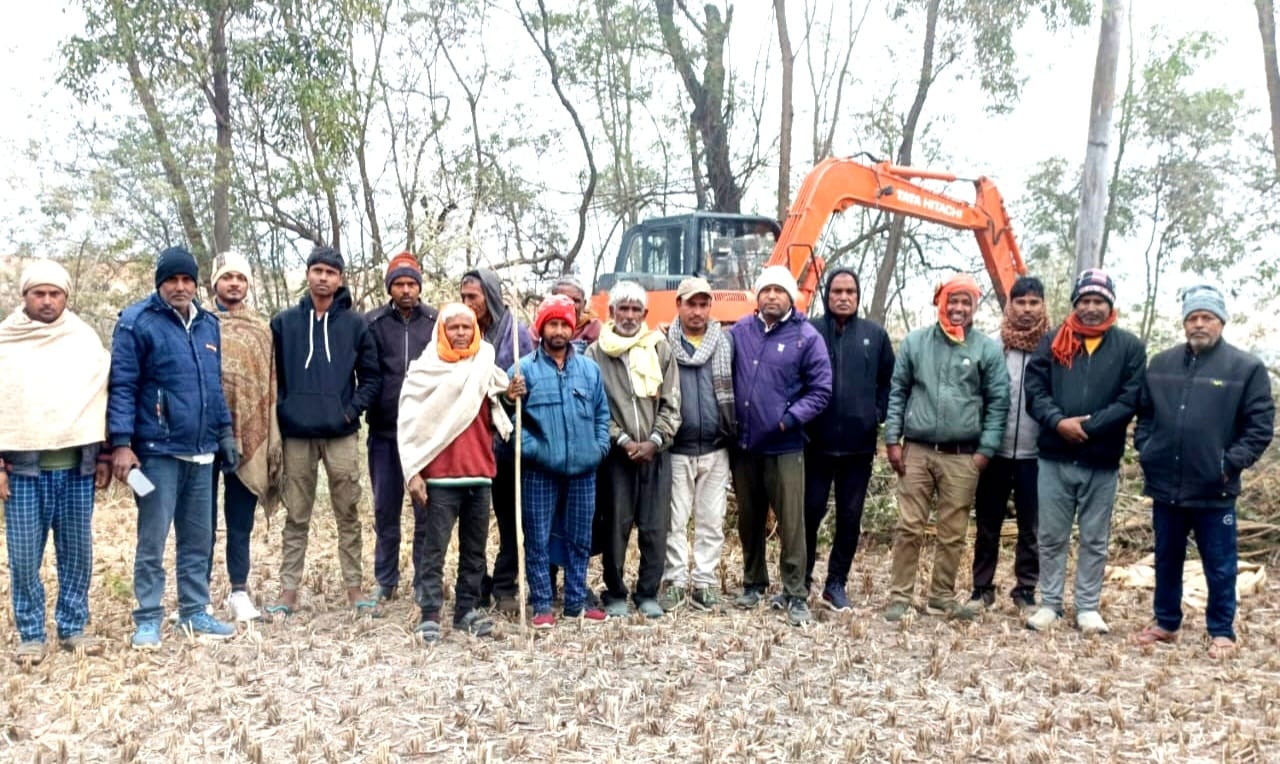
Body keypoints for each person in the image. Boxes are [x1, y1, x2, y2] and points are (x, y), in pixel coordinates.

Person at [109, 246, 239, 648]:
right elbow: (123, 386)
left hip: (201, 452)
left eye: (187, 280)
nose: (181, 287)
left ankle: (195, 610)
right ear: (160, 283)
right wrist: (121, 444)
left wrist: (225, 433)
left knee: (198, 538)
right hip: (157, 452)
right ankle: (147, 617)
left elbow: (212, 387)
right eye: (173, 280)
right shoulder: (136, 323)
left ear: (196, 284)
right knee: (153, 538)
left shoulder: (208, 325)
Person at [1132, 285, 1274, 657]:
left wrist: (1228, 465)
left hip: (1215, 488)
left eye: (1206, 317)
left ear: (1221, 322)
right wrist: (1146, 450)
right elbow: (1144, 416)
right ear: (1183, 323)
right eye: (1192, 318)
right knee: (1167, 558)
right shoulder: (1161, 364)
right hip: (1166, 485)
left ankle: (1221, 631)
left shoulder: (1246, 368)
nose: (1198, 324)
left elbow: (1259, 427)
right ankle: (1165, 622)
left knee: (1220, 565)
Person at [0, 261, 111, 663]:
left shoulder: (83, 340)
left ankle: (72, 627)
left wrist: (102, 454)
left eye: (55, 294)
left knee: (77, 553)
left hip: (77, 468)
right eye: (39, 294)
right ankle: (31, 633)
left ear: (66, 297)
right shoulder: (6, 342)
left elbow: (101, 397)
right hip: (23, 472)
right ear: (25, 296)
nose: (47, 302)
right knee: (25, 556)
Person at [1023, 269, 1145, 634]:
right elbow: (1036, 390)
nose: (1091, 308)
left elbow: (1130, 398)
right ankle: (1050, 603)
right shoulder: (1052, 342)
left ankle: (1088, 607)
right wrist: (1059, 421)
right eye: (1085, 301)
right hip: (1054, 457)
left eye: (1099, 301)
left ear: (1110, 304)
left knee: (1094, 536)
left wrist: (1089, 427)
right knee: (1051, 534)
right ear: (1076, 303)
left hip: (1101, 459)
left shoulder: (1129, 348)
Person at [882, 274, 1009, 623]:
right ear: (940, 302)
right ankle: (899, 597)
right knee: (909, 527)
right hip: (918, 451)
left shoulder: (987, 349)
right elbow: (898, 392)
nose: (958, 308)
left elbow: (999, 403)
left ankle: (941, 597)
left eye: (966, 302)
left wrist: (985, 450)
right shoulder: (915, 343)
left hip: (963, 455)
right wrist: (893, 439)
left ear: (974, 307)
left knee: (953, 533)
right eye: (952, 300)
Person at [270, 245, 382, 616]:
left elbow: (371, 378)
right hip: (297, 434)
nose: (323, 277)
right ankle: (288, 593)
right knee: (296, 514)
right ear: (307, 275)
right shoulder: (284, 323)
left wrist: (349, 412)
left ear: (340, 279)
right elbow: (274, 378)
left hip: (341, 434)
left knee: (347, 512)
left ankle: (354, 589)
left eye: (330, 272)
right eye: (317, 270)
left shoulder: (355, 324)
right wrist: (285, 410)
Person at [398, 303, 512, 642]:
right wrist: (413, 473)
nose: (461, 333)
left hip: (479, 473)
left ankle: (466, 609)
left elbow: (499, 409)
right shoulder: (423, 372)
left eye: (467, 327)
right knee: (434, 548)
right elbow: (409, 427)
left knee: (475, 550)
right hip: (441, 477)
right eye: (454, 328)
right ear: (442, 332)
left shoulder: (486, 366)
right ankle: (430, 612)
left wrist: (512, 395)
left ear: (476, 329)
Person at [728, 266, 832, 626]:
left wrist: (788, 419)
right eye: (766, 290)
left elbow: (821, 390)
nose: (772, 296)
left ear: (791, 297)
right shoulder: (740, 331)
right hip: (744, 445)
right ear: (757, 296)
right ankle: (754, 581)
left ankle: (795, 592)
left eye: (779, 290)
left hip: (785, 445)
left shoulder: (806, 336)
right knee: (749, 518)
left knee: (791, 522)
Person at [504, 294, 611, 628]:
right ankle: (542, 606)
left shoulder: (589, 371)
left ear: (572, 327)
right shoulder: (522, 372)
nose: (559, 331)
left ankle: (576, 602)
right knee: (537, 537)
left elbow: (602, 416)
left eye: (565, 324)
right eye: (552, 323)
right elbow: (507, 420)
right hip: (540, 471)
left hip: (583, 470)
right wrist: (530, 445)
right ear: (541, 327)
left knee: (580, 538)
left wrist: (598, 449)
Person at [586, 282, 681, 619]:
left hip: (656, 453)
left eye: (634, 310)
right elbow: (596, 410)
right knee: (615, 526)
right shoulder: (595, 354)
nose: (628, 315)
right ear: (611, 313)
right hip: (617, 457)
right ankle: (614, 592)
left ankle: (647, 593)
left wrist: (655, 440)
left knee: (656, 527)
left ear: (645, 314)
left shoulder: (660, 348)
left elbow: (672, 404)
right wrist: (623, 440)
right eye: (622, 309)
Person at [803, 268, 894, 612]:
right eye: (837, 290)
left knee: (850, 517)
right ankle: (802, 579)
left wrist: (877, 412)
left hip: (858, 447)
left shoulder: (875, 335)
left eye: (850, 291)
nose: (843, 297)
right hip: (815, 443)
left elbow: (889, 380)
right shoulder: (810, 331)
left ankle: (835, 583)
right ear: (827, 294)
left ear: (858, 296)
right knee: (809, 513)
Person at [969, 276, 1051, 614]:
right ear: (1009, 306)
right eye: (1021, 302)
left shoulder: (1055, 347)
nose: (1027, 310)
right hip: (995, 451)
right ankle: (981, 588)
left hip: (1037, 453)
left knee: (1032, 526)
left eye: (1034, 303)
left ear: (1043, 306)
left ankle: (1026, 589)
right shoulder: (992, 345)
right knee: (988, 523)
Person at [207, 251, 281, 623]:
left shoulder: (260, 330)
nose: (234, 283)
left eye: (240, 278)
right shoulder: (200, 323)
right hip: (202, 435)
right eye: (227, 277)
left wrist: (262, 434)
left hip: (246, 436)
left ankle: (238, 591)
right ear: (214, 283)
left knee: (240, 519)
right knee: (200, 521)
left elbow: (266, 385)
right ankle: (197, 596)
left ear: (248, 284)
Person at [660, 277, 736, 612]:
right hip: (677, 448)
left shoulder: (724, 342)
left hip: (716, 447)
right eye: (691, 304)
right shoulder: (663, 343)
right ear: (678, 305)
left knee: (710, 520)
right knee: (674, 521)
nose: (697, 311)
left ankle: (704, 582)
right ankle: (675, 581)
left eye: (704, 304)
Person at [366, 252, 438, 602]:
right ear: (390, 288)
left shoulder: (436, 322)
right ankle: (386, 579)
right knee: (385, 508)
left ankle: (424, 579)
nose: (406, 290)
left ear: (419, 286)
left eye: (411, 284)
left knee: (425, 510)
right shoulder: (374, 323)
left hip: (426, 435)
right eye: (399, 284)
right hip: (384, 432)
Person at [461, 268, 534, 615]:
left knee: (509, 519)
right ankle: (475, 584)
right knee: (472, 520)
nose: (467, 304)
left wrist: (512, 390)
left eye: (472, 297)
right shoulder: (462, 331)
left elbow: (525, 380)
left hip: (506, 442)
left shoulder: (516, 334)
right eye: (462, 297)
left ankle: (506, 585)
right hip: (469, 441)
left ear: (489, 296)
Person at [551, 275, 602, 352]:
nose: (571, 305)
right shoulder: (541, 326)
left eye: (576, 301)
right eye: (564, 299)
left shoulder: (593, 326)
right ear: (552, 302)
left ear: (584, 304)